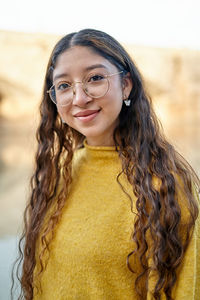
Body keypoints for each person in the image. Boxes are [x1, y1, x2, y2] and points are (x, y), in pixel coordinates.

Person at [13, 29, 200, 300]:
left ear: (126, 85)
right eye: (64, 85)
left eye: (96, 78)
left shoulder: (168, 184)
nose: (79, 98)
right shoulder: (59, 173)